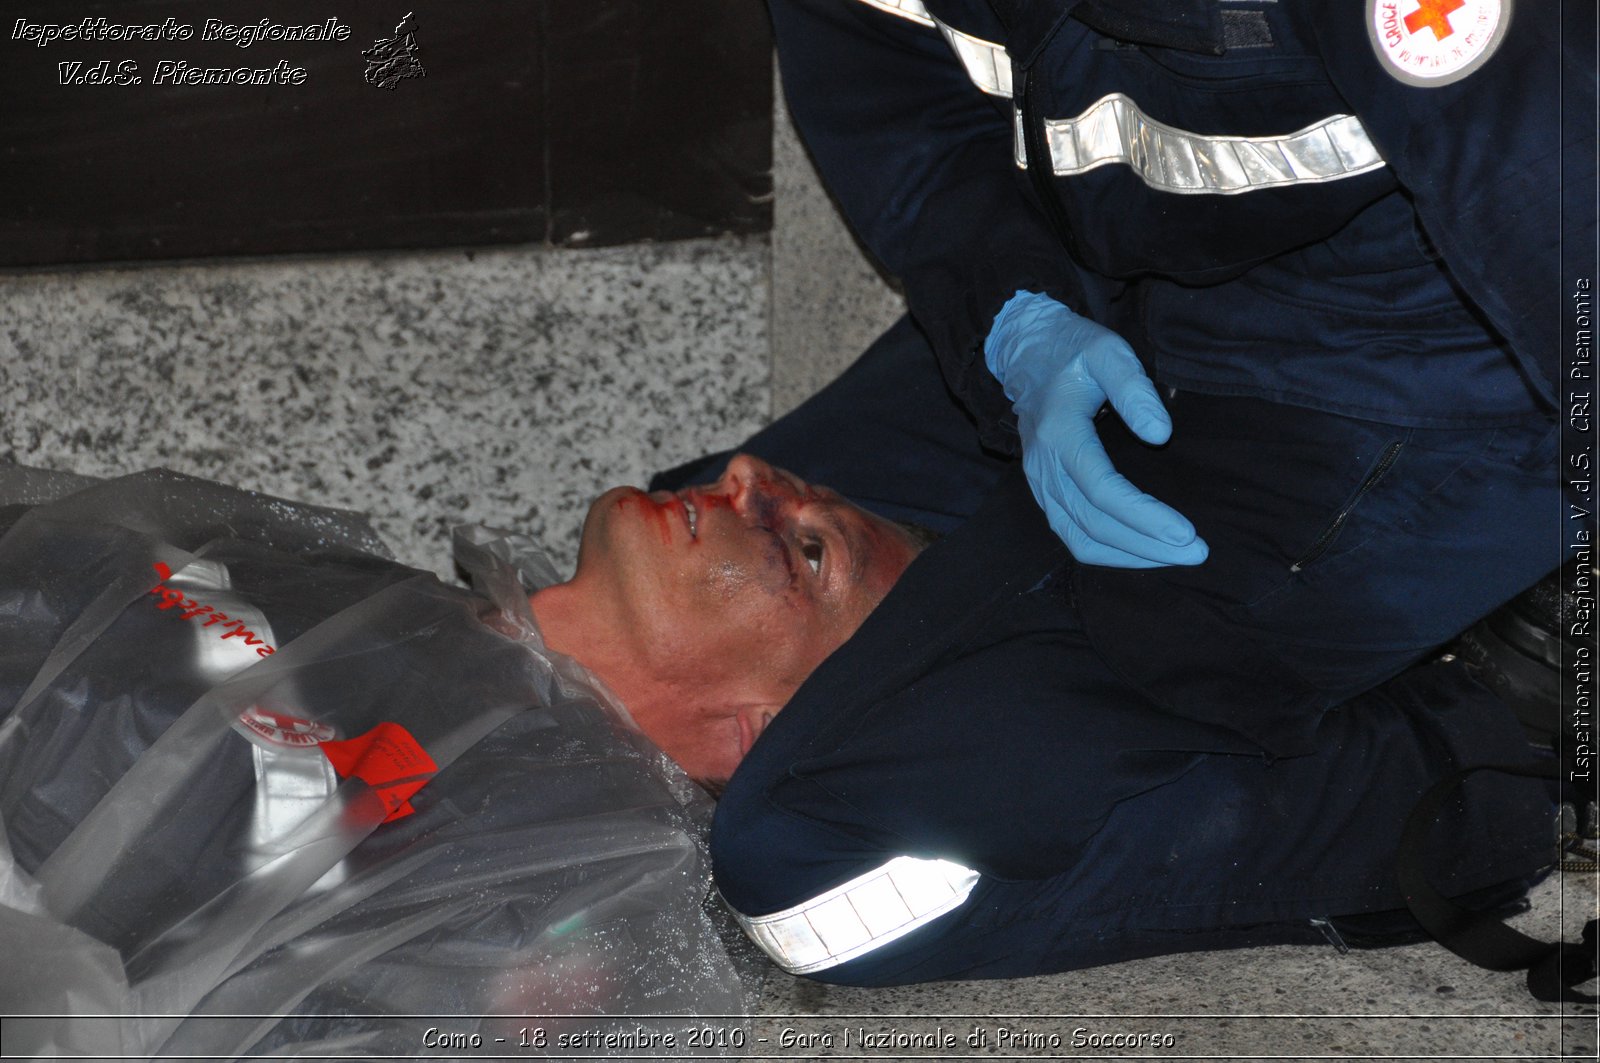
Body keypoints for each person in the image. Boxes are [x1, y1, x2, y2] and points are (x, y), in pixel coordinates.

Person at [661, 0, 1595, 989]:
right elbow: (911, 136)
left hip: (1437, 353)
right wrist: (1015, 324)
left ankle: (1505, 722)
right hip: (1143, 303)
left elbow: (1551, 207)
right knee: (693, 567)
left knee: (808, 870)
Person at [0, 457, 923, 1057]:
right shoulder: (376, 596)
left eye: (807, 551)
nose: (748, 476)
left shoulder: (585, 871)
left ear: (758, 729)